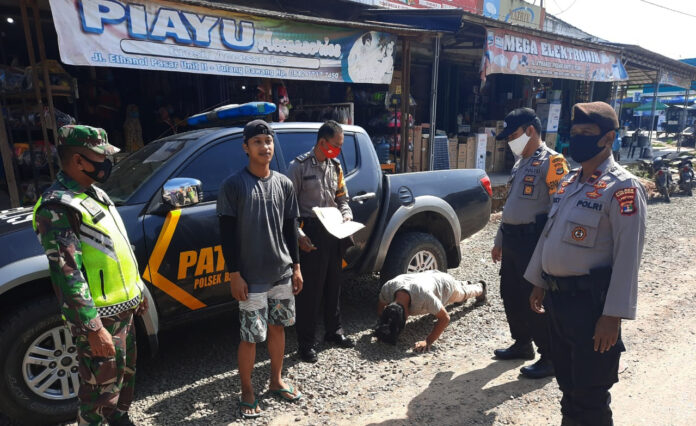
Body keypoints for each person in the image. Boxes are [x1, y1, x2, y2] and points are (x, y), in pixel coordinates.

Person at [524, 102, 647, 425]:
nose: (577, 139)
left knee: (590, 394)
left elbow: (628, 256)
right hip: (558, 301)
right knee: (568, 387)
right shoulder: (570, 182)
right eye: (574, 133)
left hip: (592, 308)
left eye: (586, 133)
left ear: (608, 138)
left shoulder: (622, 188)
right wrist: (538, 279)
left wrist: (613, 316)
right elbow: (549, 235)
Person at [32, 125, 148, 426]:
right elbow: (67, 273)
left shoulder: (93, 193)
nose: (107, 162)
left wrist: (138, 289)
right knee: (98, 391)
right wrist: (93, 328)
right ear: (78, 161)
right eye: (100, 156)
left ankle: (121, 419)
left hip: (125, 308)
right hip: (99, 317)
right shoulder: (57, 206)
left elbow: (116, 246)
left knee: (123, 378)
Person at [217, 119, 304, 419]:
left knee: (278, 328)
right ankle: (247, 390)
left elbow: (291, 228)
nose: (265, 146)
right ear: (246, 147)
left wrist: (296, 267)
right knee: (251, 336)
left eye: (268, 141)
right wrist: (234, 273)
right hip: (250, 278)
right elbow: (226, 234)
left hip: (281, 272)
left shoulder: (284, 184)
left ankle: (276, 380)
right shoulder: (233, 186)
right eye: (257, 142)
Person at [491, 108, 569, 379]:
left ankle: (549, 357)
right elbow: (511, 208)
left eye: (513, 135)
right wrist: (499, 240)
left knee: (535, 299)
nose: (510, 141)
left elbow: (559, 211)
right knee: (510, 294)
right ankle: (522, 343)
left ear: (530, 131)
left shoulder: (553, 162)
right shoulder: (520, 162)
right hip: (512, 241)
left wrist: (549, 251)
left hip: (533, 243)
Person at [287, 120, 355, 363]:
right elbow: (288, 210)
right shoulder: (299, 167)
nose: (338, 151)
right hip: (311, 231)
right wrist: (298, 235)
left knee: (334, 285)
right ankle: (306, 344)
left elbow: (342, 198)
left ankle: (333, 332)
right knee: (310, 292)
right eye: (336, 145)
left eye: (340, 147)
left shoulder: (335, 167)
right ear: (322, 142)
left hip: (334, 229)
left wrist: (347, 214)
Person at [374, 271, 486, 351]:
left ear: (407, 314)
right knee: (457, 290)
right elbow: (381, 311)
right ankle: (464, 283)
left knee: (462, 295)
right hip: (428, 278)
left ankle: (480, 288)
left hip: (444, 285)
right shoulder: (387, 289)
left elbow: (445, 318)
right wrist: (383, 328)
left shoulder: (423, 296)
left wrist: (428, 341)